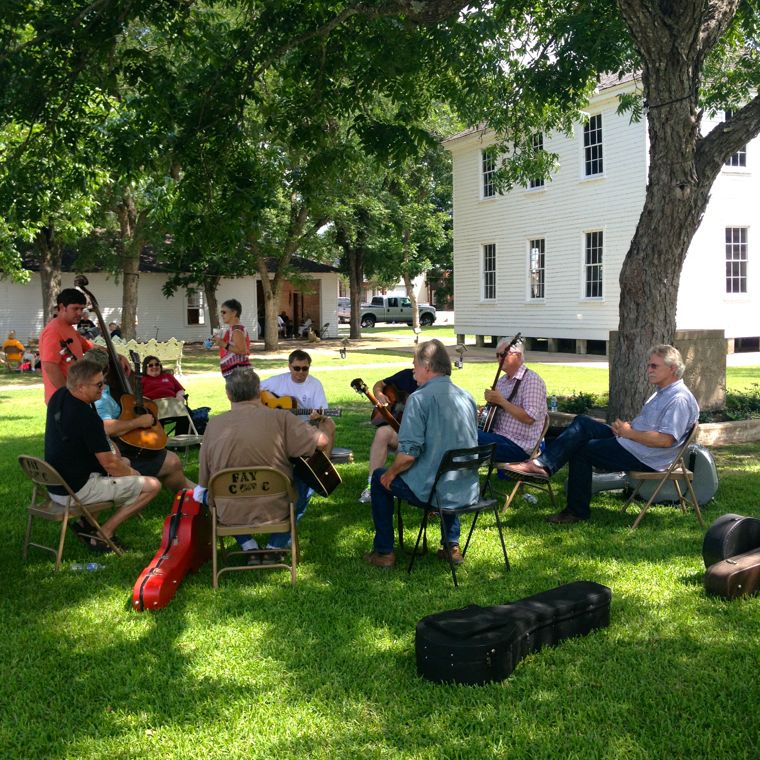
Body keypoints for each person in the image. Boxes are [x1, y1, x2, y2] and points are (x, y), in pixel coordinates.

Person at [504, 344, 700, 524]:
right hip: (632, 442)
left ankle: (574, 509)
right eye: (649, 365)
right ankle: (542, 465)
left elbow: (665, 440)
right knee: (582, 422)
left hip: (645, 456)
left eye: (654, 366)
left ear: (672, 368)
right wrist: (626, 429)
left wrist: (629, 433)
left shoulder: (679, 399)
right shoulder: (662, 392)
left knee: (581, 450)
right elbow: (652, 427)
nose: (649, 370)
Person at [364, 339, 479, 569]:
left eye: (415, 364)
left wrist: (390, 474)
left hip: (434, 492)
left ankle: (384, 552)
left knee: (378, 478)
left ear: (427, 367)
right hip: (467, 489)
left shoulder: (419, 398)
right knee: (446, 468)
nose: (413, 369)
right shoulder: (467, 397)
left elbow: (407, 456)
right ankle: (451, 545)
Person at [196, 368, 329, 562]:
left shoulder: (214, 424)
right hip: (277, 505)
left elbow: (203, 479)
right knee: (307, 480)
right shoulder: (280, 418)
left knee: (205, 493)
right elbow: (322, 441)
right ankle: (275, 546)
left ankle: (248, 545)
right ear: (259, 391)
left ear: (228, 394)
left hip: (228, 508)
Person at [44, 360, 161, 552]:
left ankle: (85, 524)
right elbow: (110, 465)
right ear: (80, 387)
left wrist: (123, 465)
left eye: (103, 382)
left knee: (123, 461)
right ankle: (104, 534)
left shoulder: (60, 396)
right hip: (74, 492)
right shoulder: (86, 416)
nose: (103, 388)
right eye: (98, 385)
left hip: (56, 484)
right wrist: (135, 476)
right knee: (152, 486)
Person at [85, 350, 194, 494]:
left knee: (171, 462)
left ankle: (195, 494)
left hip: (115, 449)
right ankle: (195, 495)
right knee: (172, 461)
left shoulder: (94, 389)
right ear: (107, 370)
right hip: (115, 456)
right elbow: (104, 427)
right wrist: (138, 422)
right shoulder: (100, 398)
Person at [476, 339, 547, 462]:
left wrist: (502, 401)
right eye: (497, 355)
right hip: (497, 436)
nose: (499, 358)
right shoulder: (502, 381)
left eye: (502, 355)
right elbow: (494, 415)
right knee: (462, 428)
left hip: (518, 445)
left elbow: (529, 418)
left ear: (518, 355)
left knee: (466, 435)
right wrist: (484, 412)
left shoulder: (531, 380)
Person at [358, 367, 419, 504]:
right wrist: (379, 393)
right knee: (382, 432)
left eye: (417, 363)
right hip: (402, 433)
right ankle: (371, 486)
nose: (413, 367)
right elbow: (380, 384)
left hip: (420, 440)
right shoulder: (407, 375)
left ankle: (401, 484)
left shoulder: (432, 387)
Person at [261, 349, 336, 456]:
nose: (301, 372)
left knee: (329, 423)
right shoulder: (278, 380)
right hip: (278, 426)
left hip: (305, 425)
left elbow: (323, 411)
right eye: (297, 368)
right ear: (289, 366)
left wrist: (319, 416)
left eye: (305, 368)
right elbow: (253, 389)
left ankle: (324, 466)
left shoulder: (315, 384)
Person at [39, 289, 94, 403]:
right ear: (62, 307)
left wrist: (116, 355)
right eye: (75, 308)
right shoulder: (53, 330)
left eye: (81, 309)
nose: (80, 313)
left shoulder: (69, 328)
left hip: (74, 396)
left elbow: (89, 346)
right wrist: (68, 395)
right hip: (61, 400)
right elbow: (50, 366)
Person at [140, 354, 190, 434]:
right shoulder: (142, 379)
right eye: (150, 365)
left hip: (173, 406)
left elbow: (180, 389)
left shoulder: (168, 376)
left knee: (187, 413)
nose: (154, 367)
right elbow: (138, 395)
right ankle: (161, 442)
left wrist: (179, 395)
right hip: (154, 408)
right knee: (154, 418)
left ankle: (180, 442)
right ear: (145, 368)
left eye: (157, 364)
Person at [212, 299, 251, 377]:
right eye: (221, 312)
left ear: (234, 313)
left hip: (238, 373)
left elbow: (242, 350)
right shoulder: (231, 330)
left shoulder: (237, 330)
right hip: (233, 372)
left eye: (224, 312)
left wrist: (223, 344)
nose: (222, 315)